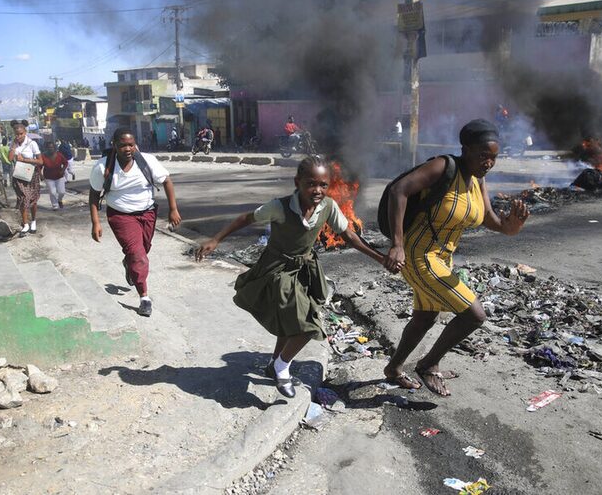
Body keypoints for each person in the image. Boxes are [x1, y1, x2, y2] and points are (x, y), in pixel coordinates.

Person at [195, 156, 391, 398]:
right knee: (308, 326)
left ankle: (274, 364)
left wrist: (380, 258)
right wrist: (216, 239)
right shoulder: (280, 207)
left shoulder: (328, 206)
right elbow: (245, 218)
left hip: (304, 269)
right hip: (277, 269)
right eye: (311, 184)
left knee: (292, 322)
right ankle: (282, 367)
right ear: (297, 182)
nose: (317, 190)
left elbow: (350, 236)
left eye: (323, 185)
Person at [382, 119, 530, 395]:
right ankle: (428, 364)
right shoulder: (443, 166)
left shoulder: (477, 180)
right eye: (483, 155)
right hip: (418, 254)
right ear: (466, 149)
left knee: (426, 316)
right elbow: (398, 190)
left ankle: (393, 368)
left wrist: (511, 227)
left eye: (494, 158)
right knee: (475, 315)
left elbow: (488, 218)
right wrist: (397, 243)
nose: (488, 163)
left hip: (442, 257)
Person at [88, 127, 182, 317]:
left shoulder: (147, 161)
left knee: (143, 249)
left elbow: (167, 181)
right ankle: (144, 297)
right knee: (138, 255)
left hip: (147, 213)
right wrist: (95, 222)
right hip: (121, 216)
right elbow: (94, 195)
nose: (128, 149)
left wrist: (173, 209)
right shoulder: (103, 166)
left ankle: (128, 263)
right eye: (123, 145)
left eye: (131, 144)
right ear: (114, 145)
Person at [9, 119, 43, 237]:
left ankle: (33, 221)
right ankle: (25, 224)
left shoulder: (32, 143)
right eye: (16, 134)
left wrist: (25, 160)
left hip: (31, 175)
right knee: (23, 199)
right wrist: (13, 146)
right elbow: (9, 158)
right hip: (19, 176)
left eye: (21, 134)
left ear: (25, 132)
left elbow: (40, 161)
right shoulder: (13, 143)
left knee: (32, 200)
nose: (19, 136)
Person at [41, 141, 70, 210]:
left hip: (59, 176)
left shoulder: (59, 155)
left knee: (62, 192)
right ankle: (55, 205)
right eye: (49, 147)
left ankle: (59, 200)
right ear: (46, 148)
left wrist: (62, 170)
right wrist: (40, 175)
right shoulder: (43, 156)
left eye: (52, 147)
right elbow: (39, 167)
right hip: (48, 177)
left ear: (54, 148)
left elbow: (66, 163)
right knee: (52, 192)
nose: (50, 149)